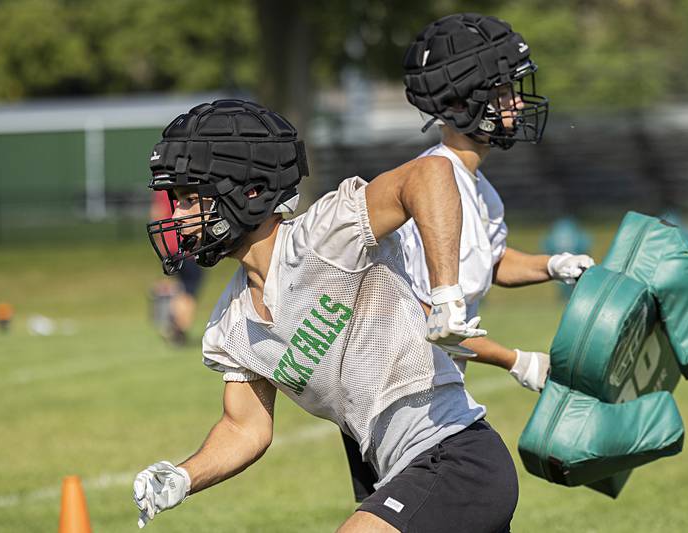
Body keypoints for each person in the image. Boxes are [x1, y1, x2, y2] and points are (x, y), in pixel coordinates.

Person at [134, 99, 518, 532]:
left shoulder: (324, 236)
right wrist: (185, 477)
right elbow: (245, 428)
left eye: (189, 200)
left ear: (249, 191)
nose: (178, 217)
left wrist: (446, 293)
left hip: (457, 457)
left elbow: (429, 175)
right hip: (396, 472)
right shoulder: (232, 324)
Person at [338, 13, 596, 502]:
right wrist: (515, 360)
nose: (518, 102)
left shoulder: (478, 186)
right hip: (398, 402)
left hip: (433, 393)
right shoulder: (426, 188)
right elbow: (422, 319)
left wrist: (554, 267)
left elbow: (491, 262)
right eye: (503, 91)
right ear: (460, 103)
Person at [149, 191, 204, 345]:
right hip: (182, 242)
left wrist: (159, 241)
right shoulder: (178, 187)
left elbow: (156, 213)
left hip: (169, 242)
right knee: (189, 287)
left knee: (182, 285)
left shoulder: (162, 189)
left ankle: (172, 323)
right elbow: (157, 211)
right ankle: (178, 327)